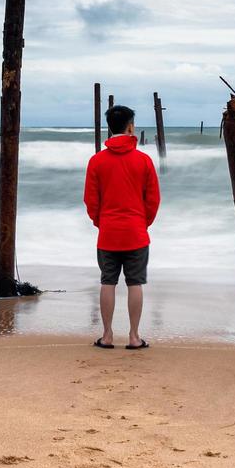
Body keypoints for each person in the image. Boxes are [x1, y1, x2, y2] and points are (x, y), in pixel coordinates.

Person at [83, 103, 160, 349]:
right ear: (131, 127)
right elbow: (153, 199)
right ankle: (134, 336)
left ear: (109, 128)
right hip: (136, 232)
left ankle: (107, 336)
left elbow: (90, 200)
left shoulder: (97, 161)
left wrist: (101, 222)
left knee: (108, 282)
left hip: (108, 233)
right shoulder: (144, 160)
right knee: (135, 283)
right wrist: (142, 222)